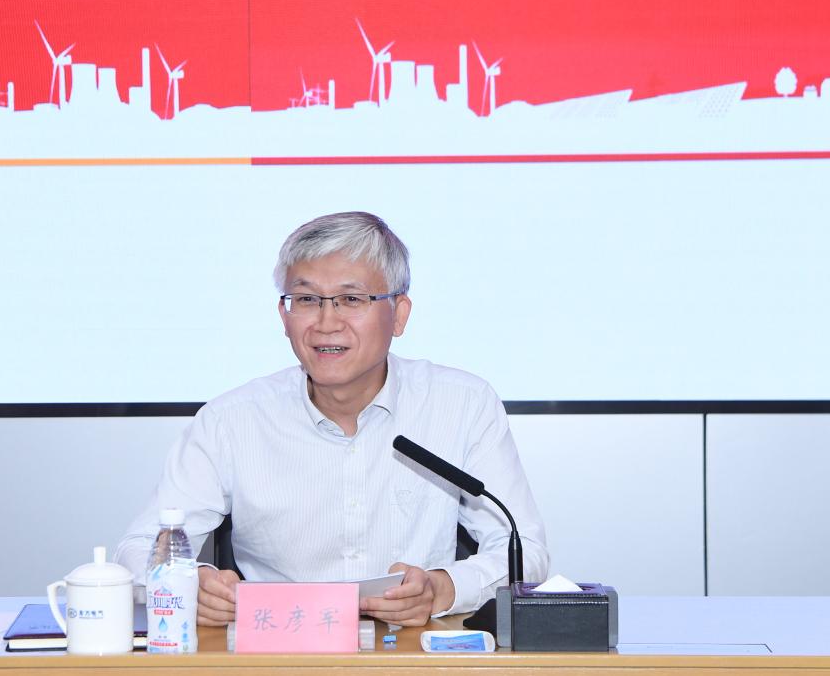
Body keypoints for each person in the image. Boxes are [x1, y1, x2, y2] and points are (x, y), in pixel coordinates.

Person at [116, 211, 548, 627]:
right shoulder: (231, 421)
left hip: (412, 653)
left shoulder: (462, 405)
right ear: (284, 316)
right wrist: (191, 585)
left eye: (351, 299)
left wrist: (442, 588)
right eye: (306, 300)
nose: (326, 323)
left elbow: (524, 551)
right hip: (279, 651)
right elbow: (138, 549)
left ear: (399, 314)